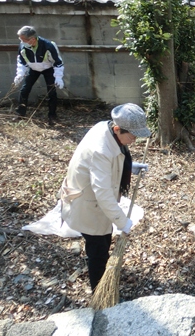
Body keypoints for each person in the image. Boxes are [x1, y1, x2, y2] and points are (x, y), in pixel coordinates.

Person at [60, 103, 151, 291]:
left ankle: (103, 281)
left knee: (103, 242)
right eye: (132, 136)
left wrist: (129, 167)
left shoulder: (107, 128)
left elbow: (111, 162)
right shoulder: (100, 150)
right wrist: (122, 221)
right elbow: (102, 192)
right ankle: (99, 291)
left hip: (93, 200)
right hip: (87, 204)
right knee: (97, 251)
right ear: (117, 129)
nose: (134, 140)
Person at [13, 26, 64, 124]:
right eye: (20, 39)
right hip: (33, 69)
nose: (21, 41)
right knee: (24, 90)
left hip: (48, 69)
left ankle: (52, 116)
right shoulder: (23, 46)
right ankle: (20, 114)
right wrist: (20, 74)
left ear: (32, 39)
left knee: (52, 92)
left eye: (23, 39)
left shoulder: (48, 45)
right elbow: (22, 61)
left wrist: (58, 77)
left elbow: (57, 62)